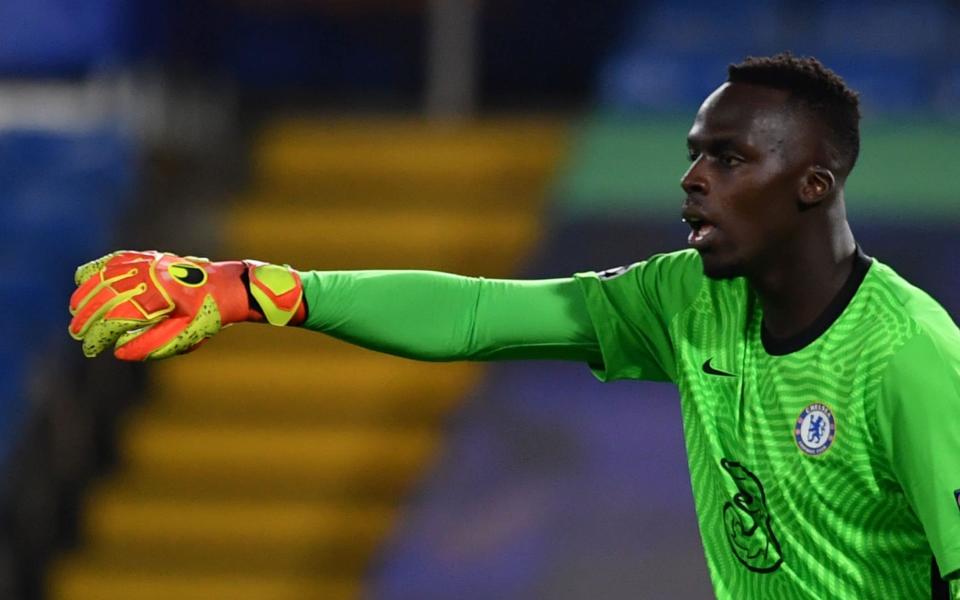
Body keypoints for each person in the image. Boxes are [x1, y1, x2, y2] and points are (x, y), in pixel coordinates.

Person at [68, 53, 960, 599]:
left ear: (815, 182)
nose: (693, 179)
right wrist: (254, 288)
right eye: (693, 154)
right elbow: (484, 313)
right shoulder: (685, 298)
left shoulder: (908, 357)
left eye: (727, 159)